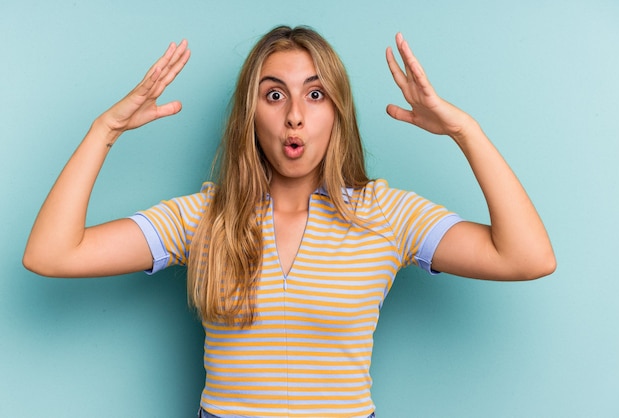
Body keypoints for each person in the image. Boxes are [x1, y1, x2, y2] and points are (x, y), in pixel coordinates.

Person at [23, 26, 556, 418]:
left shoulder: (387, 213)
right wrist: (106, 129)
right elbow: (51, 254)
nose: (295, 114)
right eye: (274, 94)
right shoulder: (204, 216)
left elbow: (527, 257)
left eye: (315, 94)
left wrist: (466, 131)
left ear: (337, 111)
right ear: (250, 114)